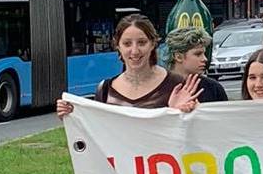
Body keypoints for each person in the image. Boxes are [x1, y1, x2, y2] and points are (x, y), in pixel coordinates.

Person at [55, 14, 200, 118]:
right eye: (127, 43)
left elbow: (196, 135)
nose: (135, 51)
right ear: (118, 46)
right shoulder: (105, 90)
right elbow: (98, 135)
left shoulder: (177, 85)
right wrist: (72, 116)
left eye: (142, 43)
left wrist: (180, 113)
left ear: (153, 44)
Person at [164, 27, 228, 103]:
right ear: (178, 57)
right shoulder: (159, 87)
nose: (205, 59)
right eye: (198, 54)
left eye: (204, 53)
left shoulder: (213, 88)